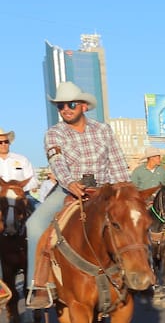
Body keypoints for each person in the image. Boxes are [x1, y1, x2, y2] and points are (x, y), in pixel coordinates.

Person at [26, 82, 131, 310]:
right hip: (69, 191)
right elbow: (57, 161)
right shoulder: (54, 133)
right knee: (34, 225)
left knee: (134, 221)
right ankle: (39, 285)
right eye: (60, 105)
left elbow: (117, 163)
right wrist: (70, 183)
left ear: (83, 106)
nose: (65, 108)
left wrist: (125, 190)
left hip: (104, 191)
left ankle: (144, 273)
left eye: (70, 104)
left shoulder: (103, 130)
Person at [0, 127, 35, 191]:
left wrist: (19, 188)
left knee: (43, 201)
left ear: (9, 143)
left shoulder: (22, 159)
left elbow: (32, 180)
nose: (3, 144)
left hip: (21, 193)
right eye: (0, 142)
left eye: (6, 142)